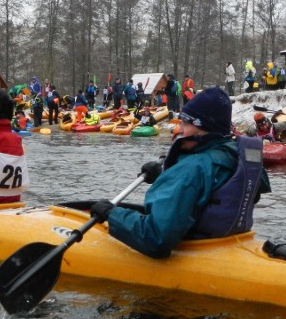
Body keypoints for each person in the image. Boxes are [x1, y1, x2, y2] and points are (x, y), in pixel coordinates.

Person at [89, 87, 271, 259]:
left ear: (204, 127)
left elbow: (155, 238)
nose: (180, 130)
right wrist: (164, 175)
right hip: (229, 240)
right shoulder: (234, 153)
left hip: (197, 247)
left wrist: (112, 215)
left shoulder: (191, 169)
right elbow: (212, 188)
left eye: (186, 123)